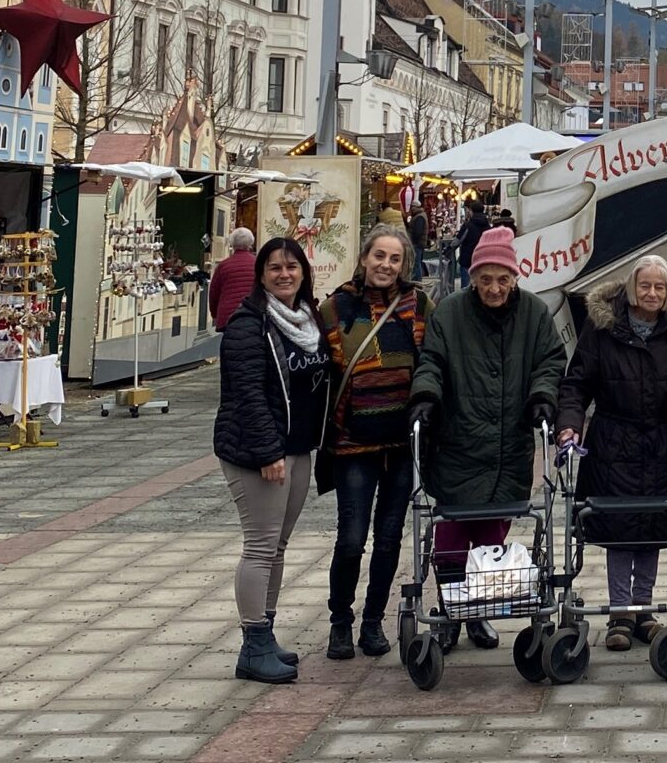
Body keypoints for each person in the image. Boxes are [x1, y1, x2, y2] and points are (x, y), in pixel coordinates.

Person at [408, 226, 567, 649]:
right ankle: (449, 611)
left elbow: (551, 361)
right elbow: (432, 361)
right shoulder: (450, 312)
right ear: (473, 278)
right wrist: (425, 396)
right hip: (458, 440)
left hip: (508, 444)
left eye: (502, 279)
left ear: (515, 278)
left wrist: (542, 396)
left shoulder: (534, 313)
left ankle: (478, 611)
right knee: (451, 535)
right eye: (485, 279)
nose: (494, 288)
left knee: (492, 535)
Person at [558, 254, 667, 650]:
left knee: (652, 526)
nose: (652, 293)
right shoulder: (602, 326)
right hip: (614, 442)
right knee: (619, 528)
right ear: (631, 288)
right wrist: (569, 424)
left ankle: (643, 610)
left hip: (665, 442)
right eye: (645, 285)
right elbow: (577, 383)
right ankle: (620, 613)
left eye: (660, 286)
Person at [213, 237, 330, 684]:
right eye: (275, 268)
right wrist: (268, 452)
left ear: (304, 272)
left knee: (278, 545)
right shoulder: (249, 324)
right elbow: (246, 393)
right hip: (258, 453)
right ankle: (253, 645)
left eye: (292, 266)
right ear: (260, 275)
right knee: (261, 546)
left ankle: (266, 633)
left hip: (297, 447)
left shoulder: (308, 319)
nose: (284, 274)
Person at [314, 222, 429, 661]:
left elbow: (432, 362)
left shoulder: (419, 305)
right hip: (353, 446)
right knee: (351, 539)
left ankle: (373, 622)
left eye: (395, 258)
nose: (386, 264)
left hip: (400, 446)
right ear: (364, 258)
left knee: (388, 540)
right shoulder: (335, 309)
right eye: (379, 256)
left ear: (405, 264)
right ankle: (340, 622)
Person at [209, 227, 258, 330]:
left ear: (232, 244)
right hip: (252, 314)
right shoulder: (258, 264)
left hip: (228, 315)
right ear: (250, 243)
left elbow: (214, 292)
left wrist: (215, 314)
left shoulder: (223, 265)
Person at [455, 199, 490, 290]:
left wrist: (448, 249)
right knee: (482, 286)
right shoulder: (488, 226)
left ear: (471, 211)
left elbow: (458, 241)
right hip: (483, 259)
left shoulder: (468, 225)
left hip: (467, 259)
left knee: (466, 288)